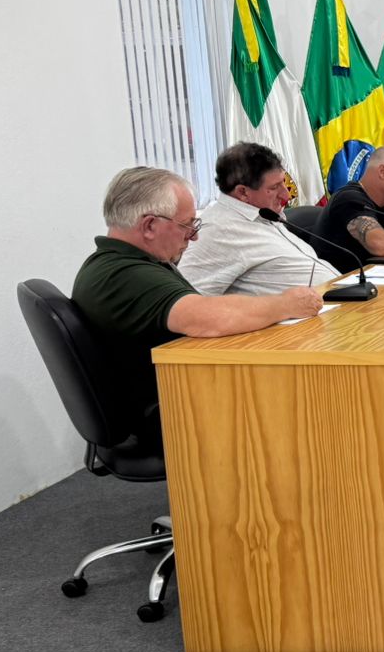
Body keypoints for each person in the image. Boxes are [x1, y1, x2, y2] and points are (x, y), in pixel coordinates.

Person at [71, 166, 324, 452]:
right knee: (310, 396)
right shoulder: (125, 276)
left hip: (182, 395)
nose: (193, 237)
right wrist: (285, 304)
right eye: (187, 225)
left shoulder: (117, 264)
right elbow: (208, 318)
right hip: (177, 414)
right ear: (150, 225)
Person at [178, 141, 332, 295]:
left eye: (283, 183)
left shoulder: (264, 213)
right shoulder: (217, 230)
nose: (286, 195)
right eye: (274, 187)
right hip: (306, 309)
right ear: (243, 192)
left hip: (333, 301)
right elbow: (185, 299)